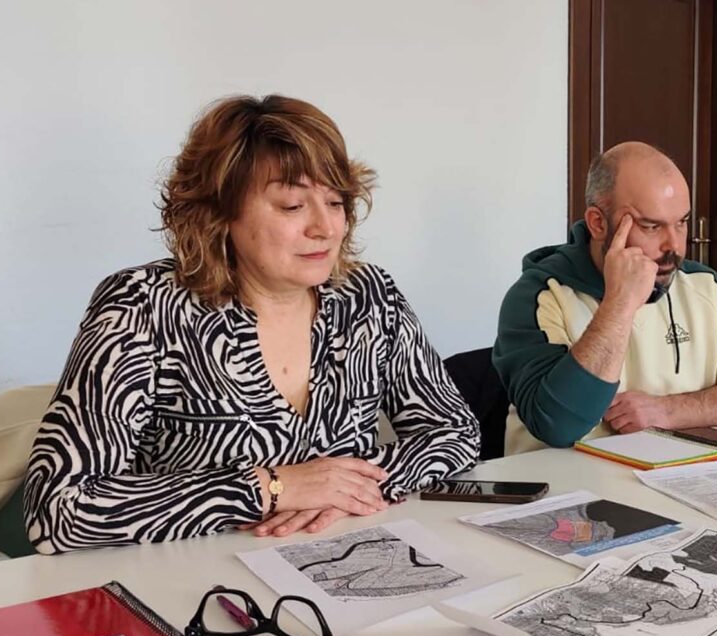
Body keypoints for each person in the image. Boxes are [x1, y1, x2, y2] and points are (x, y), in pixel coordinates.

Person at [25, 95, 479, 554]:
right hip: (191, 579)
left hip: (342, 560)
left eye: (335, 201)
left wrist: (348, 487)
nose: (326, 227)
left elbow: (456, 432)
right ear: (220, 212)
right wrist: (271, 487)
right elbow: (58, 510)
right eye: (292, 206)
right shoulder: (144, 307)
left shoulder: (368, 296)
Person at [494, 142, 717, 454]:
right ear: (598, 223)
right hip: (562, 482)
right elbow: (558, 425)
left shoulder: (705, 287)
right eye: (651, 226)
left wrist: (667, 412)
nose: (674, 246)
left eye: (681, 222)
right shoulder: (539, 295)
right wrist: (619, 304)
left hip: (675, 477)